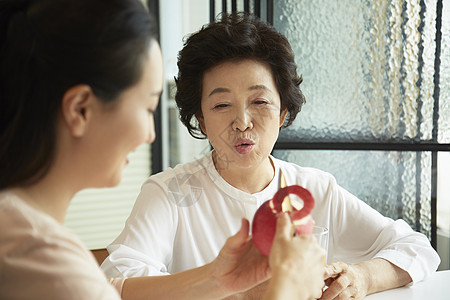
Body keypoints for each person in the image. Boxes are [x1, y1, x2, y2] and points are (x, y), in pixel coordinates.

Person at [101, 11, 441, 300]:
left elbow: (416, 248)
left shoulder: (314, 189)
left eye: (259, 102)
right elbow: (115, 284)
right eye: (221, 105)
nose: (242, 122)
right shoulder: (169, 194)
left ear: (283, 112)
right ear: (201, 120)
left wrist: (362, 278)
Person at [0, 1, 326, 299]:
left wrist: (219, 279)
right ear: (81, 110)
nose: (151, 134)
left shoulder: (24, 235)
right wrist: (285, 289)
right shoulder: (44, 264)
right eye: (147, 107)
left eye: (259, 102)